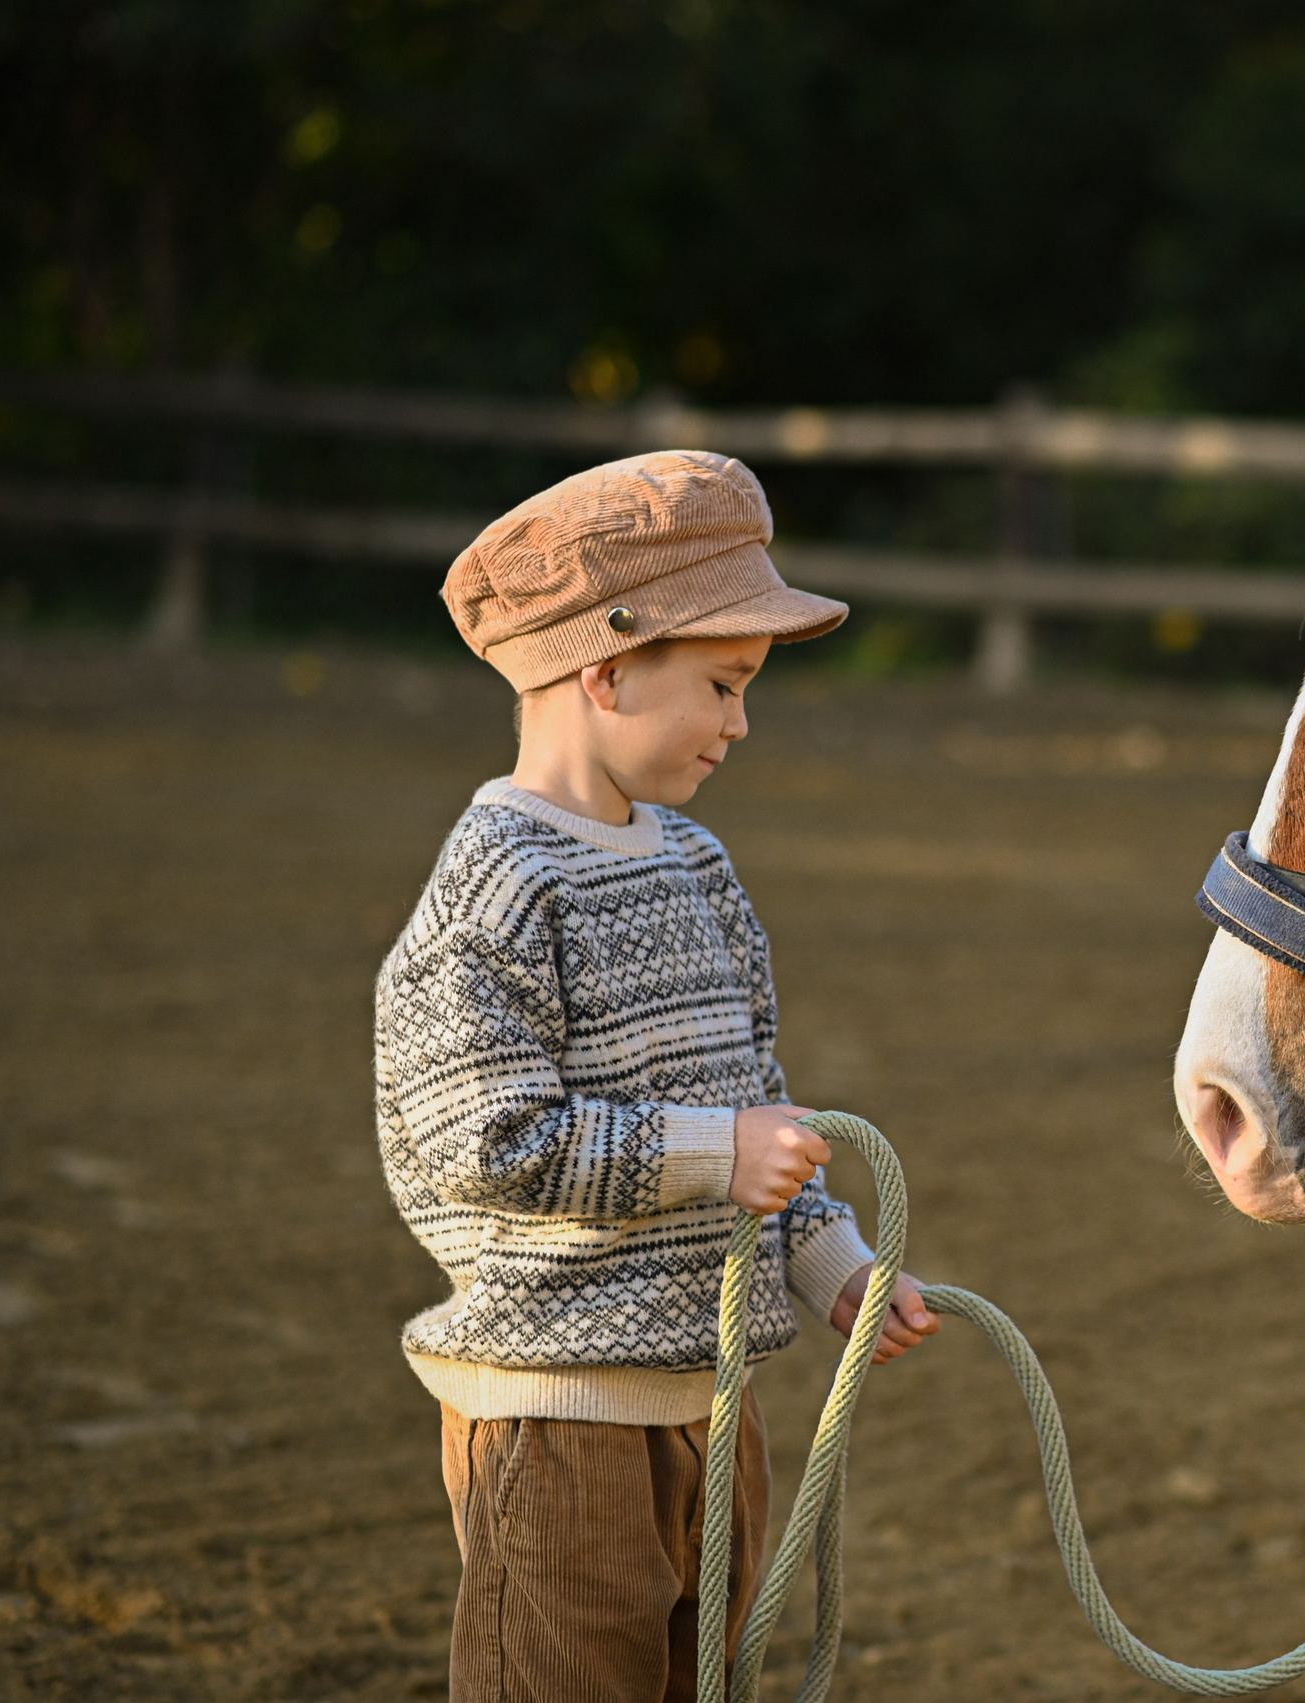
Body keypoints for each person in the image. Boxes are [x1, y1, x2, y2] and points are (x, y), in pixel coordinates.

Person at [373, 449, 937, 1701]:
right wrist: (713, 1150)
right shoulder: (499, 888)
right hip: (556, 1414)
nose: (741, 723)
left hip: (709, 1399)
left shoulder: (699, 867)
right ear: (607, 667)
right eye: (723, 685)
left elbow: (758, 1111)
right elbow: (485, 1136)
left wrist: (831, 1263)